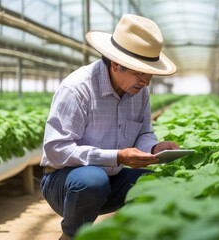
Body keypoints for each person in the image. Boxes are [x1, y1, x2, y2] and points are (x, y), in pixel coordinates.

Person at [40, 14, 179, 240]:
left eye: (150, 73)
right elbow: (56, 150)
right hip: (65, 183)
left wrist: (153, 148)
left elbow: (143, 132)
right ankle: (71, 237)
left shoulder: (139, 91)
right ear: (116, 63)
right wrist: (117, 156)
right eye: (139, 72)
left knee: (156, 183)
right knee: (92, 180)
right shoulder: (77, 88)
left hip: (112, 179)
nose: (146, 81)